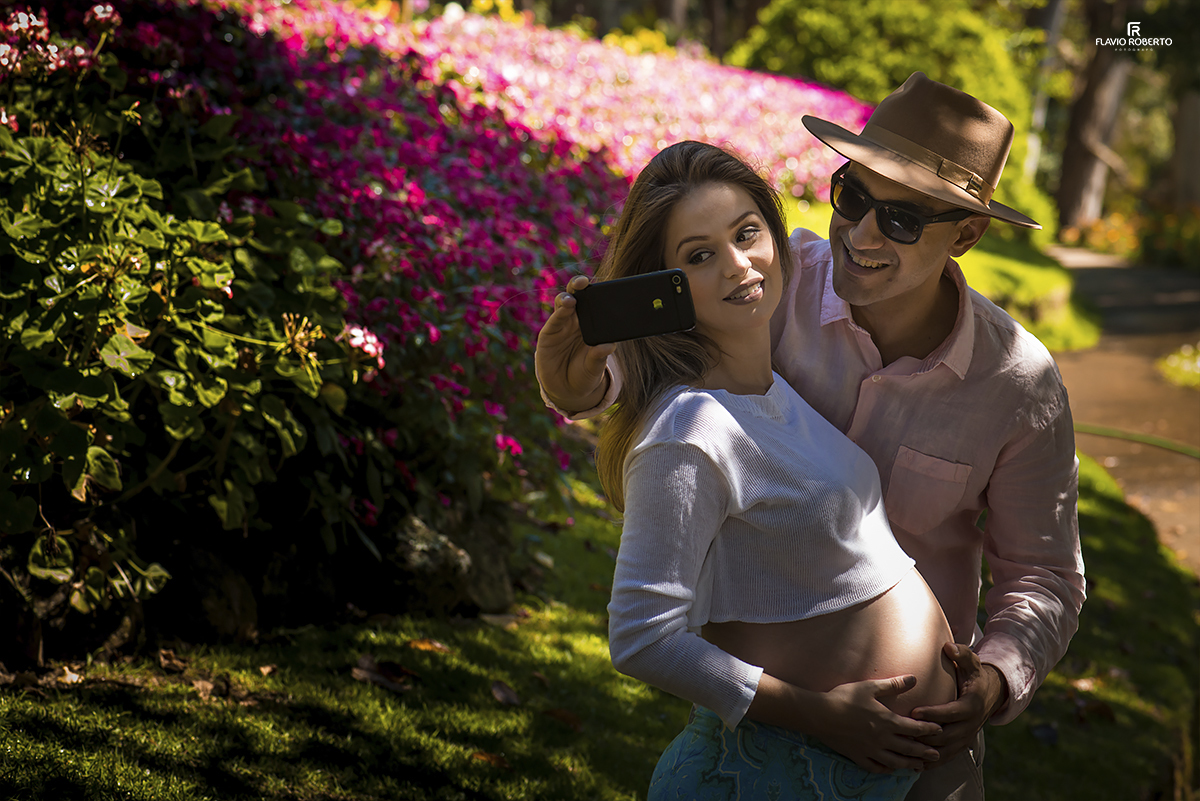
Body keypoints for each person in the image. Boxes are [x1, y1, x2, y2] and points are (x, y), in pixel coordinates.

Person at [535, 73, 1086, 800]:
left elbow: (1044, 575)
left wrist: (990, 680)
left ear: (969, 234)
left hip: (930, 748)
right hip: (778, 738)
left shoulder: (1018, 383)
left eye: (900, 220)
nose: (859, 235)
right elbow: (656, 374)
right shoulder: (768, 280)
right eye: (853, 196)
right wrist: (571, 381)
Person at [578, 138, 956, 799]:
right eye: (699, 256)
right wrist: (819, 713)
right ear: (662, 290)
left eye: (746, 232)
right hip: (776, 769)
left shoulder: (773, 395)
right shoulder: (689, 427)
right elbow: (640, 637)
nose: (736, 264)